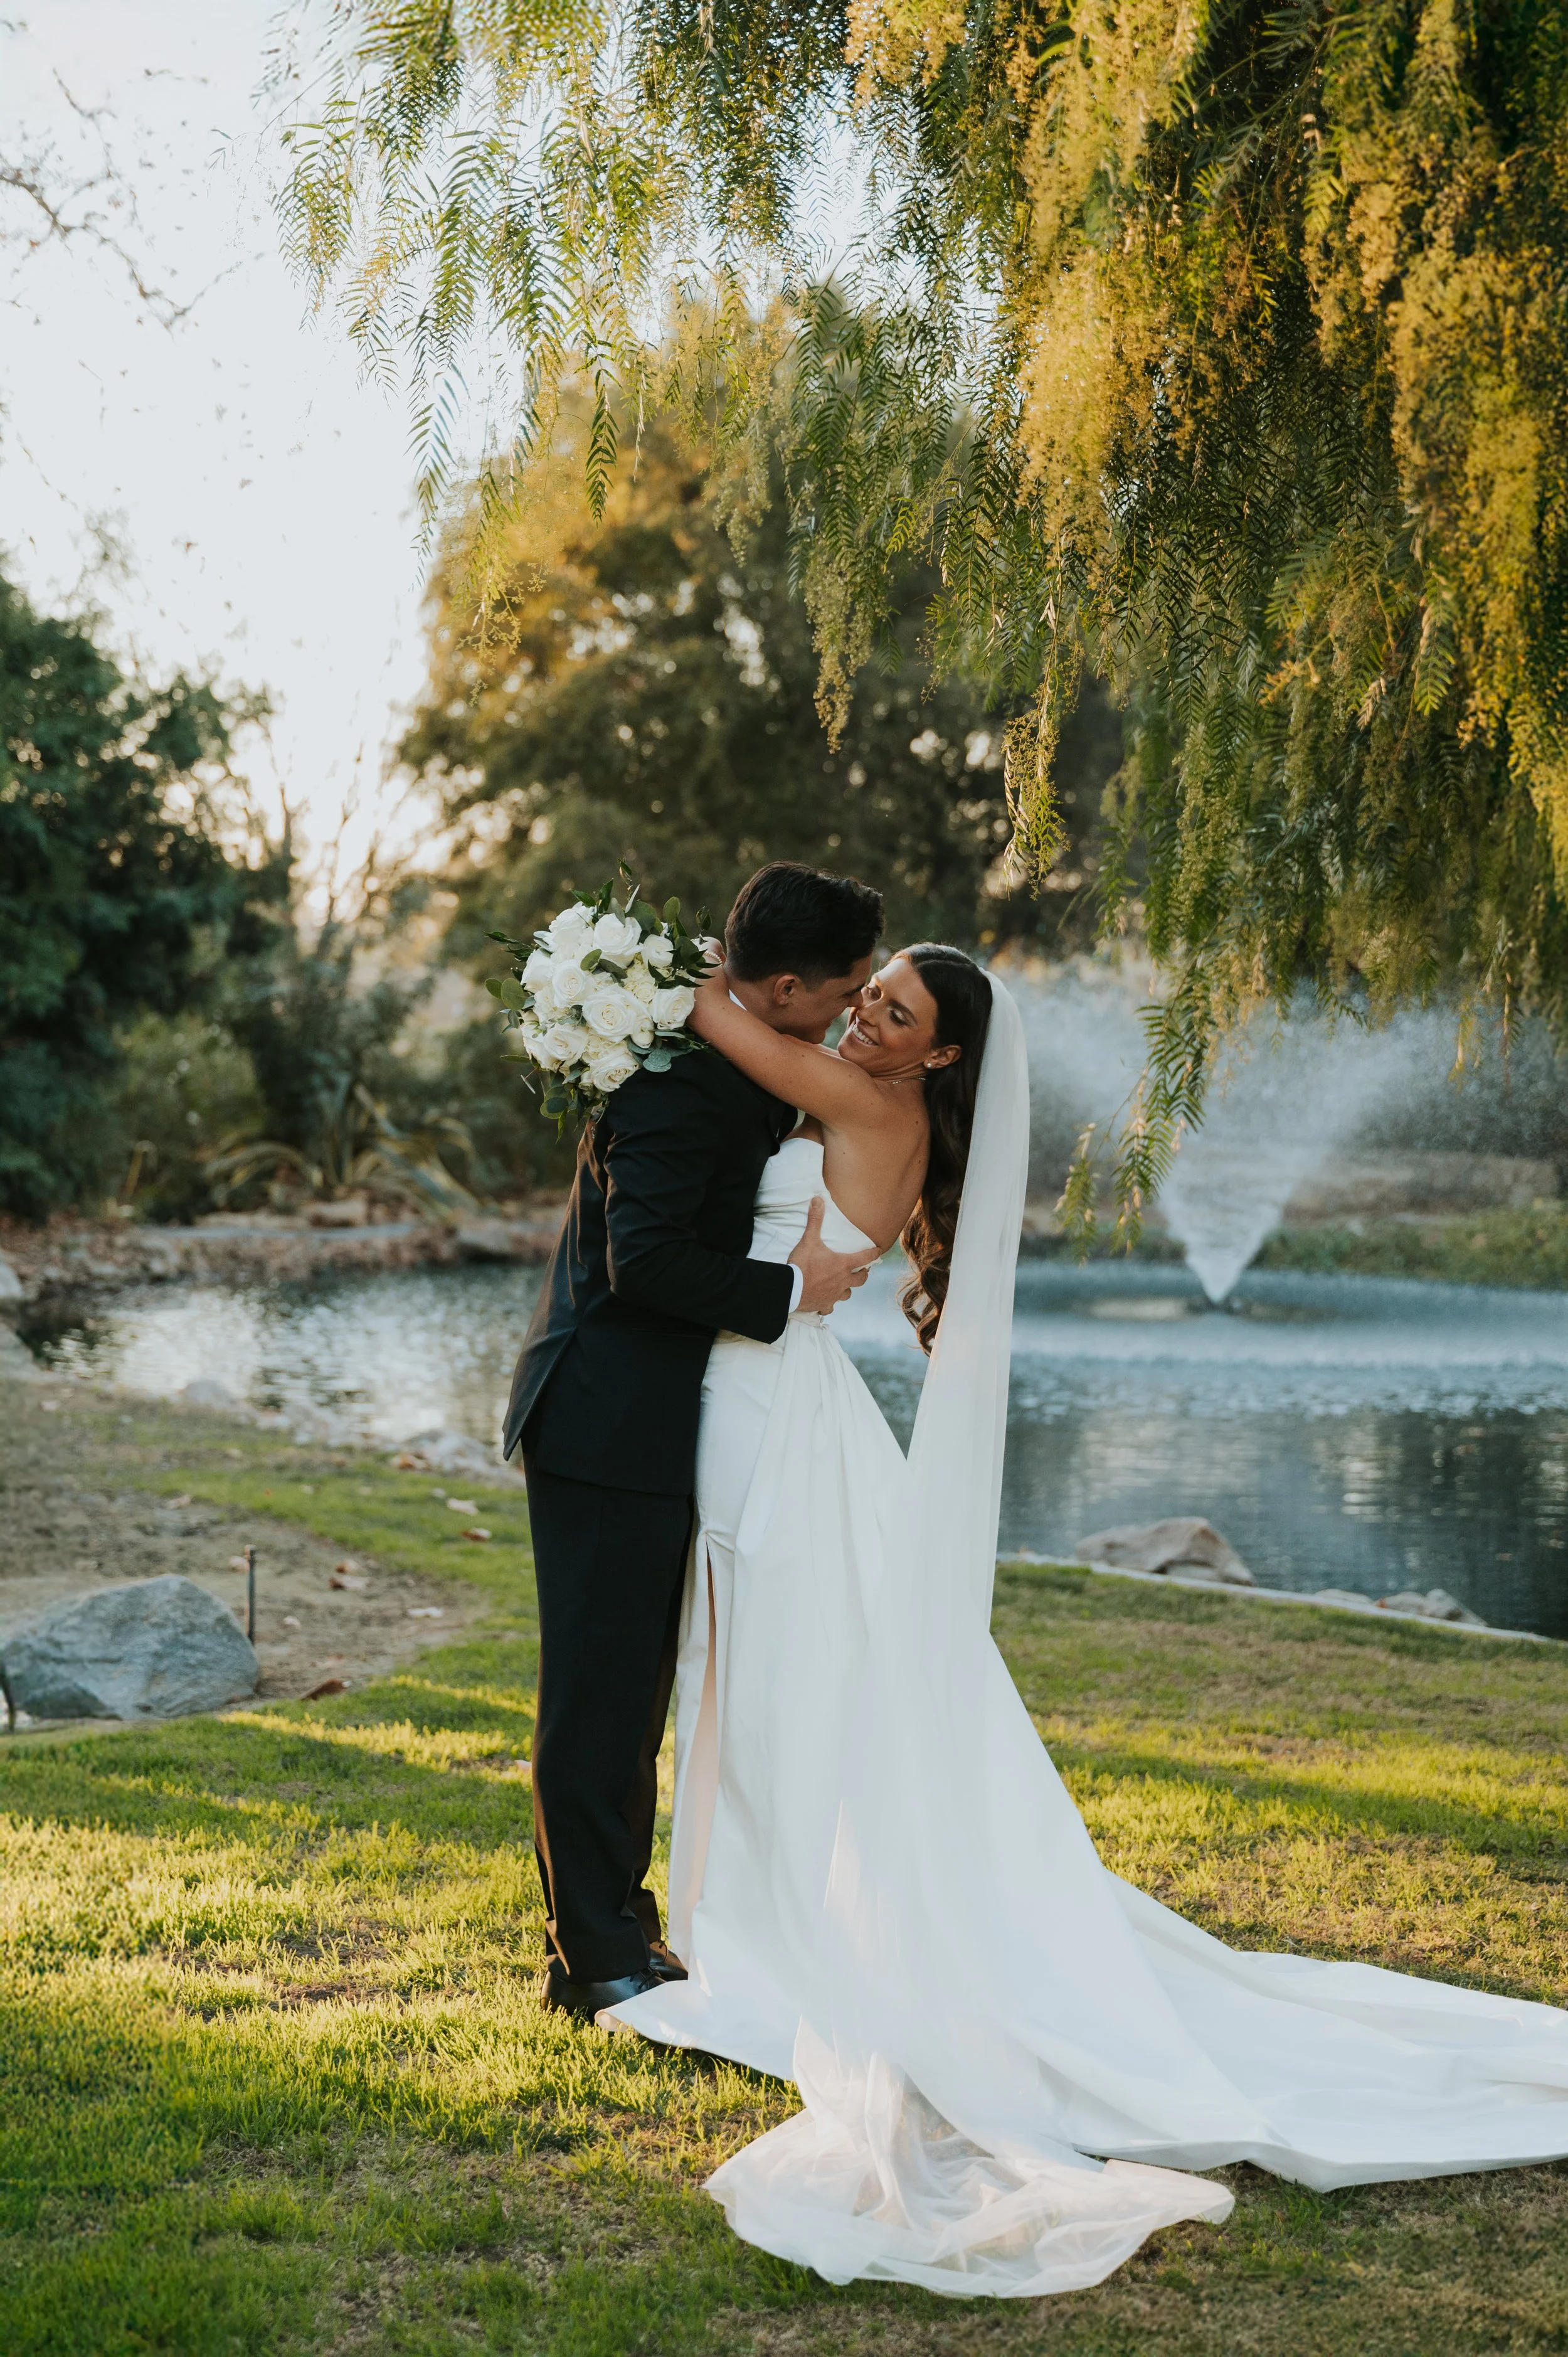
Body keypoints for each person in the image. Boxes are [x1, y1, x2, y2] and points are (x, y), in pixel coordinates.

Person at [605, 947, 1568, 2301]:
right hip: (766, 1399)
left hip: (770, 1413)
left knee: (785, 1675)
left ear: (940, 1059)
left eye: (895, 1012)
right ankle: (755, 1920)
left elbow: (724, 1022)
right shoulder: (848, 1094)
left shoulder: (858, 1101)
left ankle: (784, 1936)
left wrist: (630, 971)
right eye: (868, 993)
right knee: (774, 1672)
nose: (867, 1016)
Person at [504, 861, 883, 2021]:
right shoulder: (681, 1090)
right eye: (843, 990)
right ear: (778, 985)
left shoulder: (727, 1061)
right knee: (598, 1696)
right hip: (605, 1420)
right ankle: (593, 1959)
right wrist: (792, 1286)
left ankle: (617, 1932)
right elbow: (646, 1260)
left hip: (644, 1420)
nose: (849, 1011)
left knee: (629, 1687)